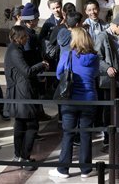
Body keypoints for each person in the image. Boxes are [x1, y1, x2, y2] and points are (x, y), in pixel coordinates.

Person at [49, 27, 99, 179]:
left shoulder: (67, 55)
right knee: (86, 135)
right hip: (89, 99)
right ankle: (86, 169)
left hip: (70, 100)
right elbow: (95, 74)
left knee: (68, 134)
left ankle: (63, 169)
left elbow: (59, 75)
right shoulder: (95, 57)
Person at [3, 26, 49, 171]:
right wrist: (41, 65)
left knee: (20, 124)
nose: (26, 38)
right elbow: (27, 72)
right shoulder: (15, 51)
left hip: (20, 93)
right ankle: (24, 157)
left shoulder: (15, 49)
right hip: (22, 93)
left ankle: (19, 156)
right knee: (31, 125)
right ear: (17, 38)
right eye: (24, 37)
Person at [94, 11, 119, 145]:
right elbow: (97, 58)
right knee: (108, 109)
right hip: (108, 80)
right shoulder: (102, 37)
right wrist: (107, 68)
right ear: (116, 25)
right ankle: (108, 136)